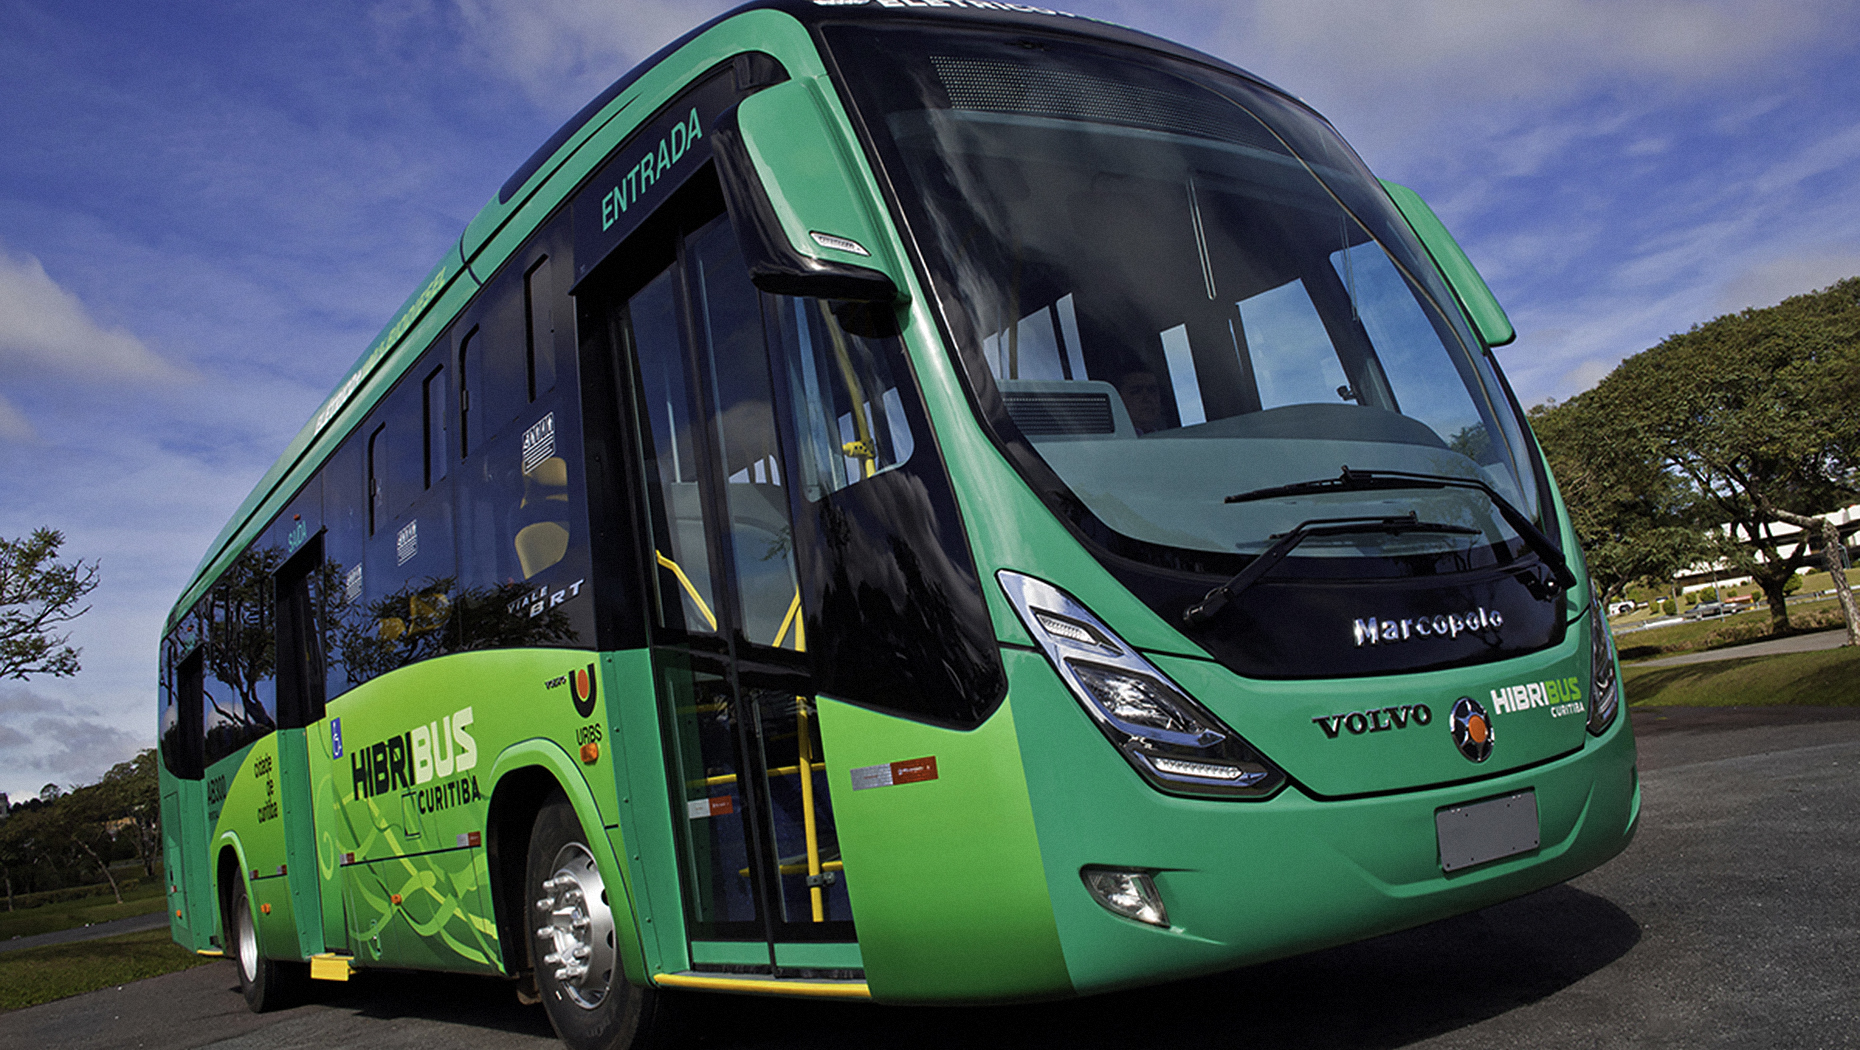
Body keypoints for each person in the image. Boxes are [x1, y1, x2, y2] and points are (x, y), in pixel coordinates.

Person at [1117, 369, 1164, 434]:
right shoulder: (1110, 441)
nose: (1147, 398)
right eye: (1136, 392)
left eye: (1152, 390)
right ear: (1120, 398)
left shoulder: (1172, 439)